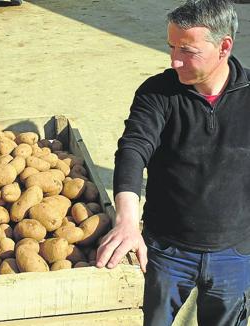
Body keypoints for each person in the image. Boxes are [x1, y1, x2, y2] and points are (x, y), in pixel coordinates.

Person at [96, 0, 250, 325]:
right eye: (171, 47)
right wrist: (126, 220)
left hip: (234, 254)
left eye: (188, 50)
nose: (174, 59)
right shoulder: (158, 93)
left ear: (224, 46)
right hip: (166, 251)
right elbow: (133, 150)